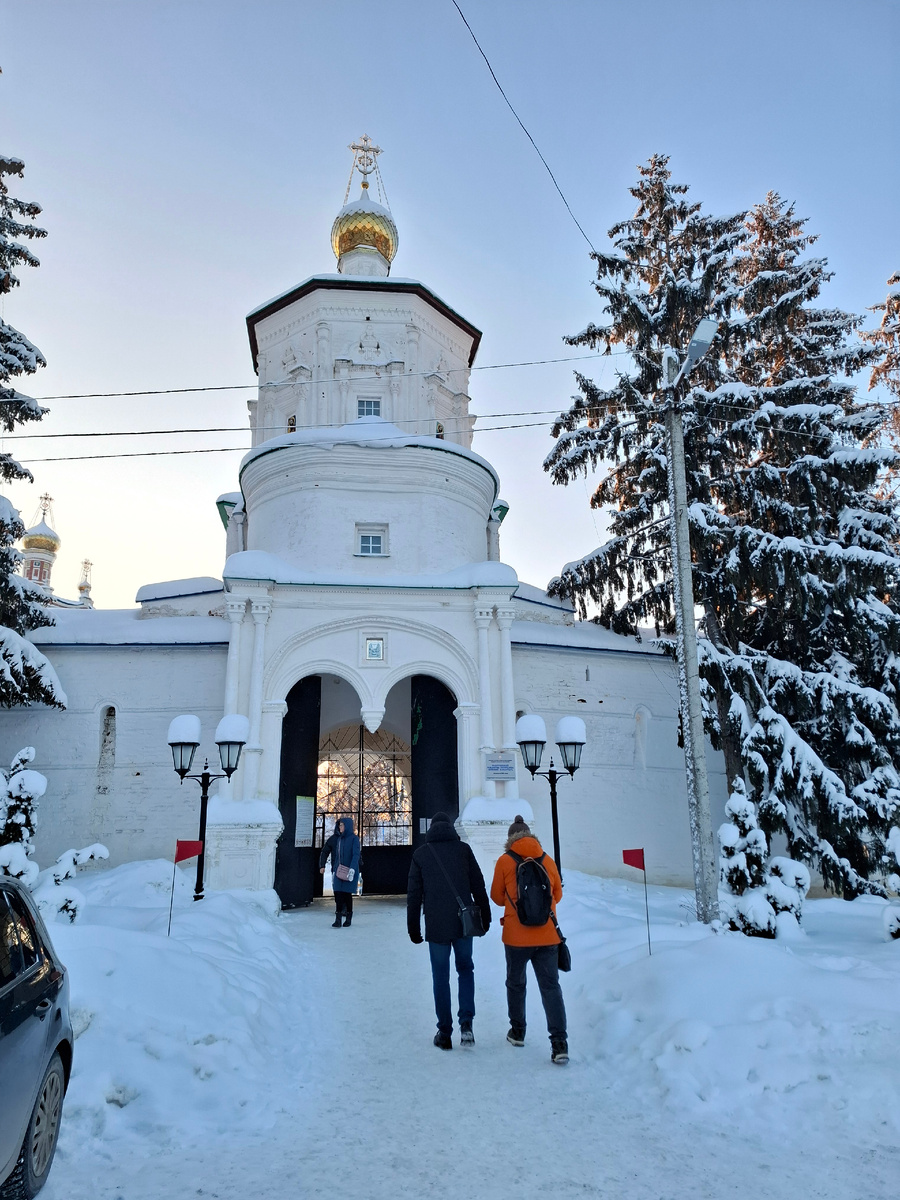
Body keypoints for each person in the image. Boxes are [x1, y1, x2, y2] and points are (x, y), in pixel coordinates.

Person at [407, 811, 491, 1050]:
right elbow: (479, 885)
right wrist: (486, 916)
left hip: (436, 926)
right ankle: (467, 1024)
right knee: (465, 969)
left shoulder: (422, 855)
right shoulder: (463, 850)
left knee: (440, 977)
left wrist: (413, 927)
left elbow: (414, 896)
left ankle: (444, 1032)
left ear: (431, 829)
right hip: (463, 923)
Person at [490, 815, 568, 1065]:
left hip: (516, 936)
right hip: (547, 936)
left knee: (515, 983)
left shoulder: (504, 861)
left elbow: (497, 898)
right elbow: (558, 894)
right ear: (531, 836)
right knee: (550, 987)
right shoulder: (548, 860)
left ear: (510, 838)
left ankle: (518, 1031)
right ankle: (559, 1043)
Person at [320, 816, 360, 927]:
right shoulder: (338, 839)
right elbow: (335, 855)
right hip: (338, 871)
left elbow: (356, 855)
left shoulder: (354, 839)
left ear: (347, 826)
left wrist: (352, 869)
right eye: (339, 825)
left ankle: (348, 918)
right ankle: (337, 919)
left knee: (347, 894)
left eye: (341, 825)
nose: (339, 827)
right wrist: (333, 869)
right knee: (338, 892)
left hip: (349, 871)